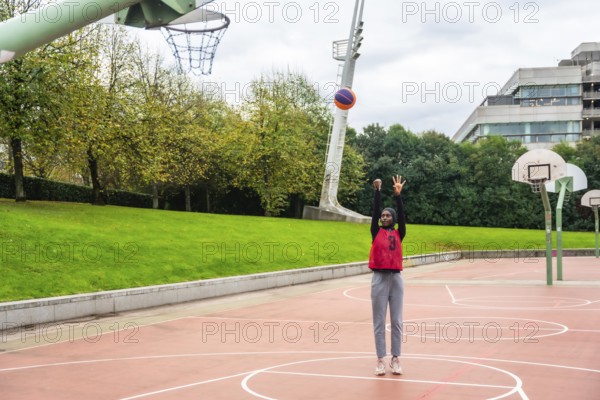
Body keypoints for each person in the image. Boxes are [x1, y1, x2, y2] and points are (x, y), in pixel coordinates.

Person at [369, 175, 406, 376]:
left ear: (393, 218)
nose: (383, 217)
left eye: (387, 216)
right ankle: (380, 359)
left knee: (397, 320)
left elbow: (402, 215)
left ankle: (396, 358)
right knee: (379, 321)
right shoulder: (376, 232)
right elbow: (374, 213)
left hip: (396, 280)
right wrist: (377, 191)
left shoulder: (400, 233)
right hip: (379, 279)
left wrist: (398, 195)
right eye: (382, 216)